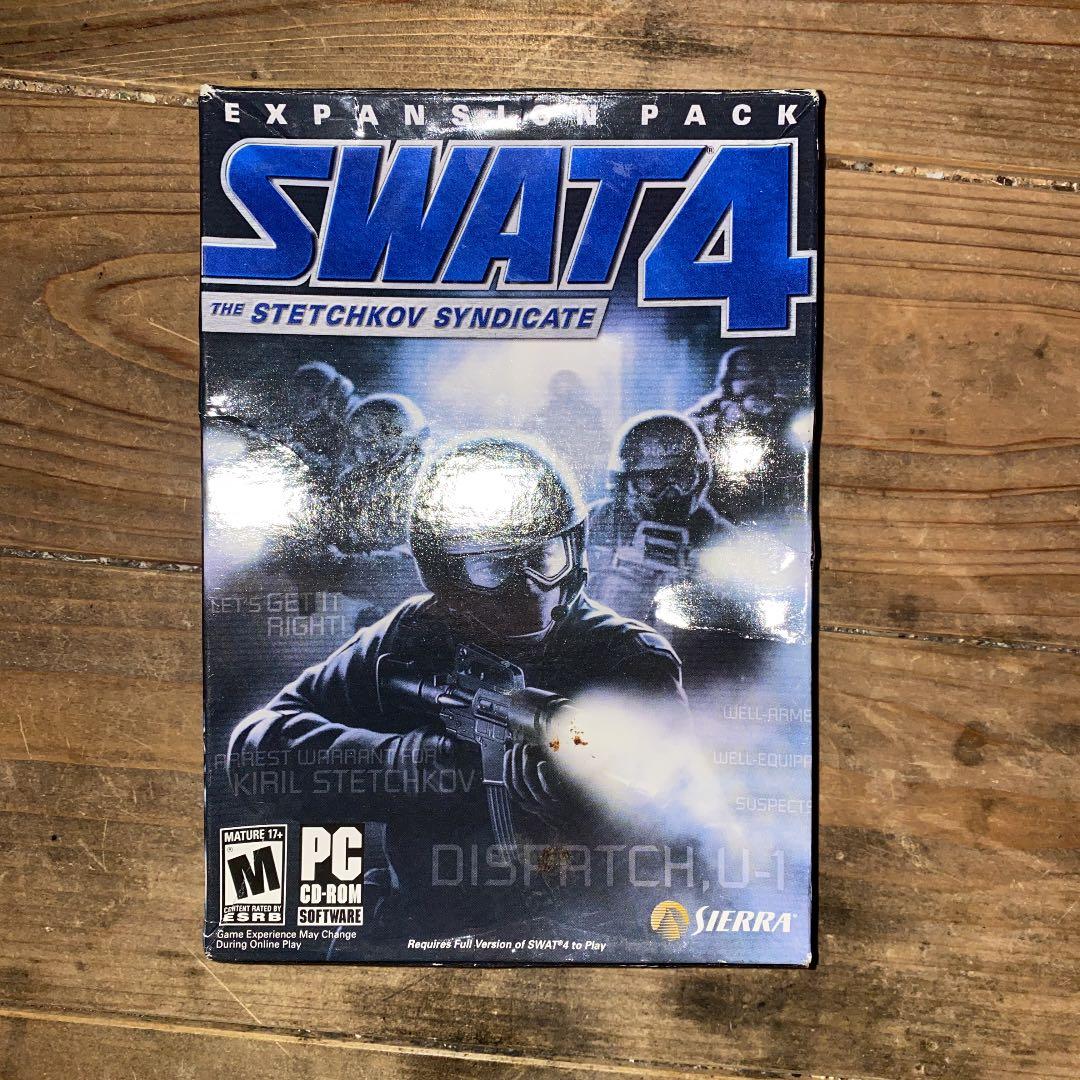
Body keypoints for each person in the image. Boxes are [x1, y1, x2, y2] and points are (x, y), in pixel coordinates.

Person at [227, 434, 687, 930]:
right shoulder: (413, 635)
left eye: (544, 557)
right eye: (495, 566)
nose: (530, 585)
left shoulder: (628, 657)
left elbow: (677, 831)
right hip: (425, 925)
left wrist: (583, 815)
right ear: (445, 574)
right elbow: (255, 751)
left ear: (574, 549)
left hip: (582, 930)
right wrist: (407, 764)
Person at [587, 410, 735, 623]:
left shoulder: (718, 535)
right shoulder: (596, 523)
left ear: (699, 476)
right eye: (653, 479)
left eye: (682, 478)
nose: (671, 491)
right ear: (627, 482)